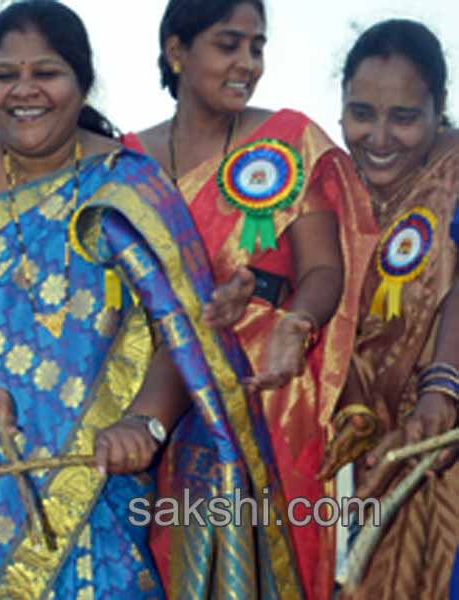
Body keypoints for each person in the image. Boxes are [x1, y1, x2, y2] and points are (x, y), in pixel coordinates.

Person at [0, 2, 302, 597]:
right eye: (6, 75)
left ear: (82, 83)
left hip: (103, 475)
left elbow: (181, 336)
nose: (24, 91)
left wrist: (146, 421)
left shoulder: (129, 184)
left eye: (47, 73)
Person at [121, 1, 378, 597]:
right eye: (228, 44)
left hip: (270, 387)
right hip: (162, 391)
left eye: (256, 47)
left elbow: (321, 268)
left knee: (272, 567)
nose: (247, 64)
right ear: (176, 51)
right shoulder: (127, 160)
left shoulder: (286, 140)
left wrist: (296, 323)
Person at [316, 19, 459, 599]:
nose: (379, 137)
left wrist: (443, 388)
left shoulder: (453, 176)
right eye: (361, 113)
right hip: (373, 459)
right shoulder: (332, 191)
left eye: (403, 117)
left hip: (442, 435)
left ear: (439, 108)